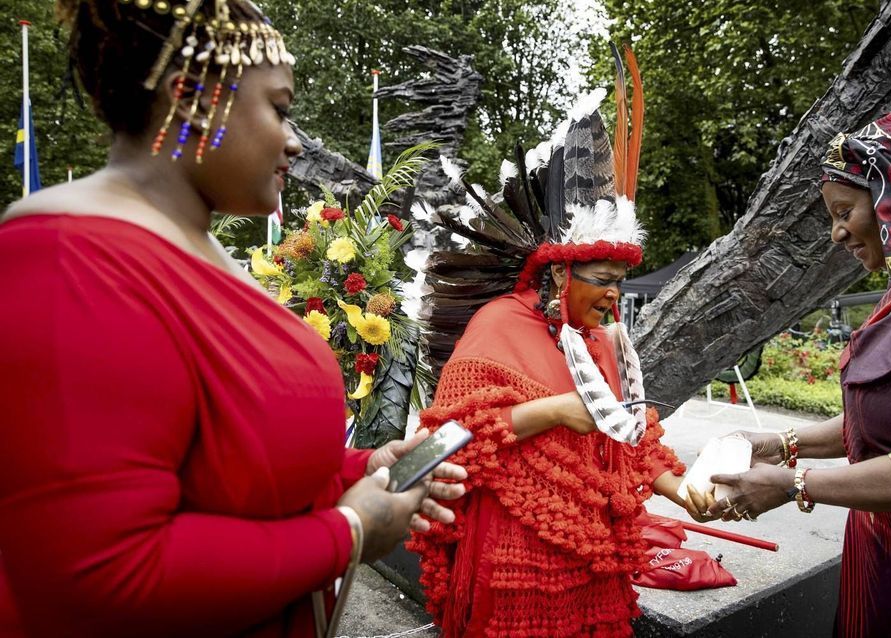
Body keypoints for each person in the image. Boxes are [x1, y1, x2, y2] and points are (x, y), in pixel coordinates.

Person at [0, 1, 464, 636]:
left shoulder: (199, 246)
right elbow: (104, 574)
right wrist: (347, 532)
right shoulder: (70, 259)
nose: (296, 141)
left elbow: (228, 471)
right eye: (280, 109)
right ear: (190, 99)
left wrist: (364, 469)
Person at [691, 112, 891, 637]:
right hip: (886, 558)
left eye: (845, 212)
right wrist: (780, 442)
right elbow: (879, 419)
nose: (837, 232)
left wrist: (791, 483)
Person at [407, 47, 689, 637]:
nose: (615, 298)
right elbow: (449, 442)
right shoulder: (497, 325)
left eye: (620, 283)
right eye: (604, 282)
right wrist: (555, 410)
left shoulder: (604, 340)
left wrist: (684, 489)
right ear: (562, 274)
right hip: (515, 558)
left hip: (594, 561)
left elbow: (630, 435)